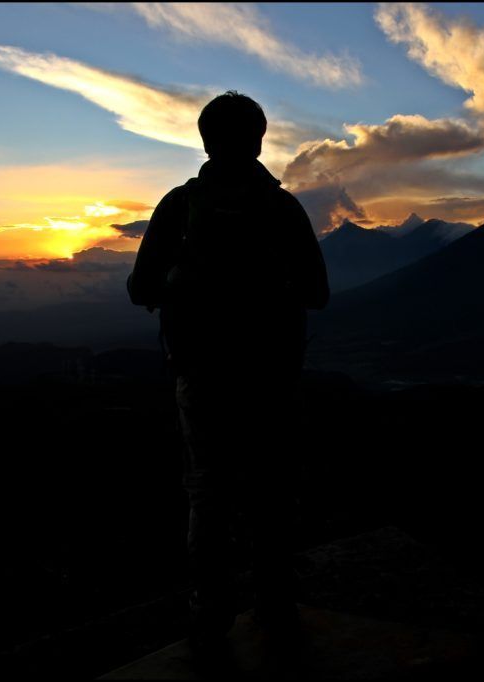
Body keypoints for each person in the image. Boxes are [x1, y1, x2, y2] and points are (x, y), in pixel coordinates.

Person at [127, 91, 329, 658]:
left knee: (208, 495)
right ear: (261, 139)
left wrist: (184, 291)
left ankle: (209, 621)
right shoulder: (282, 208)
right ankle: (276, 605)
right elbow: (318, 294)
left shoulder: (179, 206)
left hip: (202, 378)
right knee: (270, 491)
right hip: (272, 379)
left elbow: (141, 288)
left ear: (204, 139)